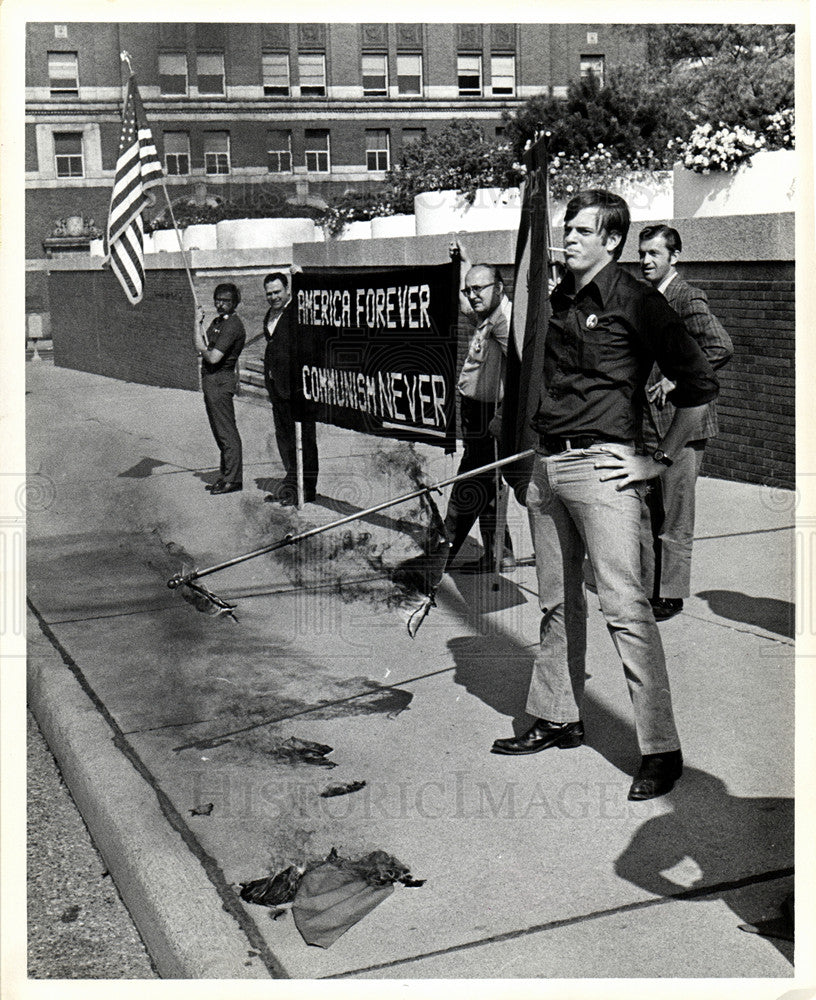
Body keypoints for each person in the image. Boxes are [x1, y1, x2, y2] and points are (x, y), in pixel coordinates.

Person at [491, 189, 719, 802]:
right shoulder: (555, 298)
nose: (568, 237)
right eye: (567, 227)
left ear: (612, 241)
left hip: (604, 471)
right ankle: (559, 715)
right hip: (547, 467)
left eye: (582, 230)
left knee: (625, 609)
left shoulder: (638, 301)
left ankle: (660, 750)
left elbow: (699, 384)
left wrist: (658, 458)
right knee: (556, 603)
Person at [638, 225, 734, 621]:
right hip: (647, 423)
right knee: (645, 508)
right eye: (642, 253)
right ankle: (645, 588)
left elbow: (720, 346)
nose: (646, 261)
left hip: (684, 422)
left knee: (676, 512)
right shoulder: (646, 297)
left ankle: (671, 594)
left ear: (674, 257)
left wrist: (679, 377)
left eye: (654, 254)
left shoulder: (685, 297)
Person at [443, 245, 515, 574]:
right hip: (476, 413)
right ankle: (501, 552)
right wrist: (465, 261)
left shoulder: (503, 322)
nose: (471, 295)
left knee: (471, 484)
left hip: (490, 417)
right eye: (468, 289)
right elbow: (462, 302)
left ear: (499, 288)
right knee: (487, 485)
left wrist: (502, 416)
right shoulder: (487, 315)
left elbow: (520, 370)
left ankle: (443, 552)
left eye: (478, 289)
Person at [262, 270, 318, 505]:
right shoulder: (270, 315)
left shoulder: (298, 311)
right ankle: (291, 483)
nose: (273, 297)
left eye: (277, 292)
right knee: (285, 440)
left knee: (304, 441)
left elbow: (312, 302)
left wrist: (302, 277)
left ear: (287, 291)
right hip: (278, 389)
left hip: (297, 390)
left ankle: (307, 490)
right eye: (269, 293)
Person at [194, 283, 246, 494]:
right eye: (218, 300)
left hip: (221, 381)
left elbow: (213, 356)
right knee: (219, 432)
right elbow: (199, 345)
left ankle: (233, 479)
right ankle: (226, 475)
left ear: (234, 303)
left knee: (226, 432)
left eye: (226, 301)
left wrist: (204, 350)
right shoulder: (217, 322)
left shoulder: (233, 325)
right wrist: (196, 323)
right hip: (211, 381)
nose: (221, 304)